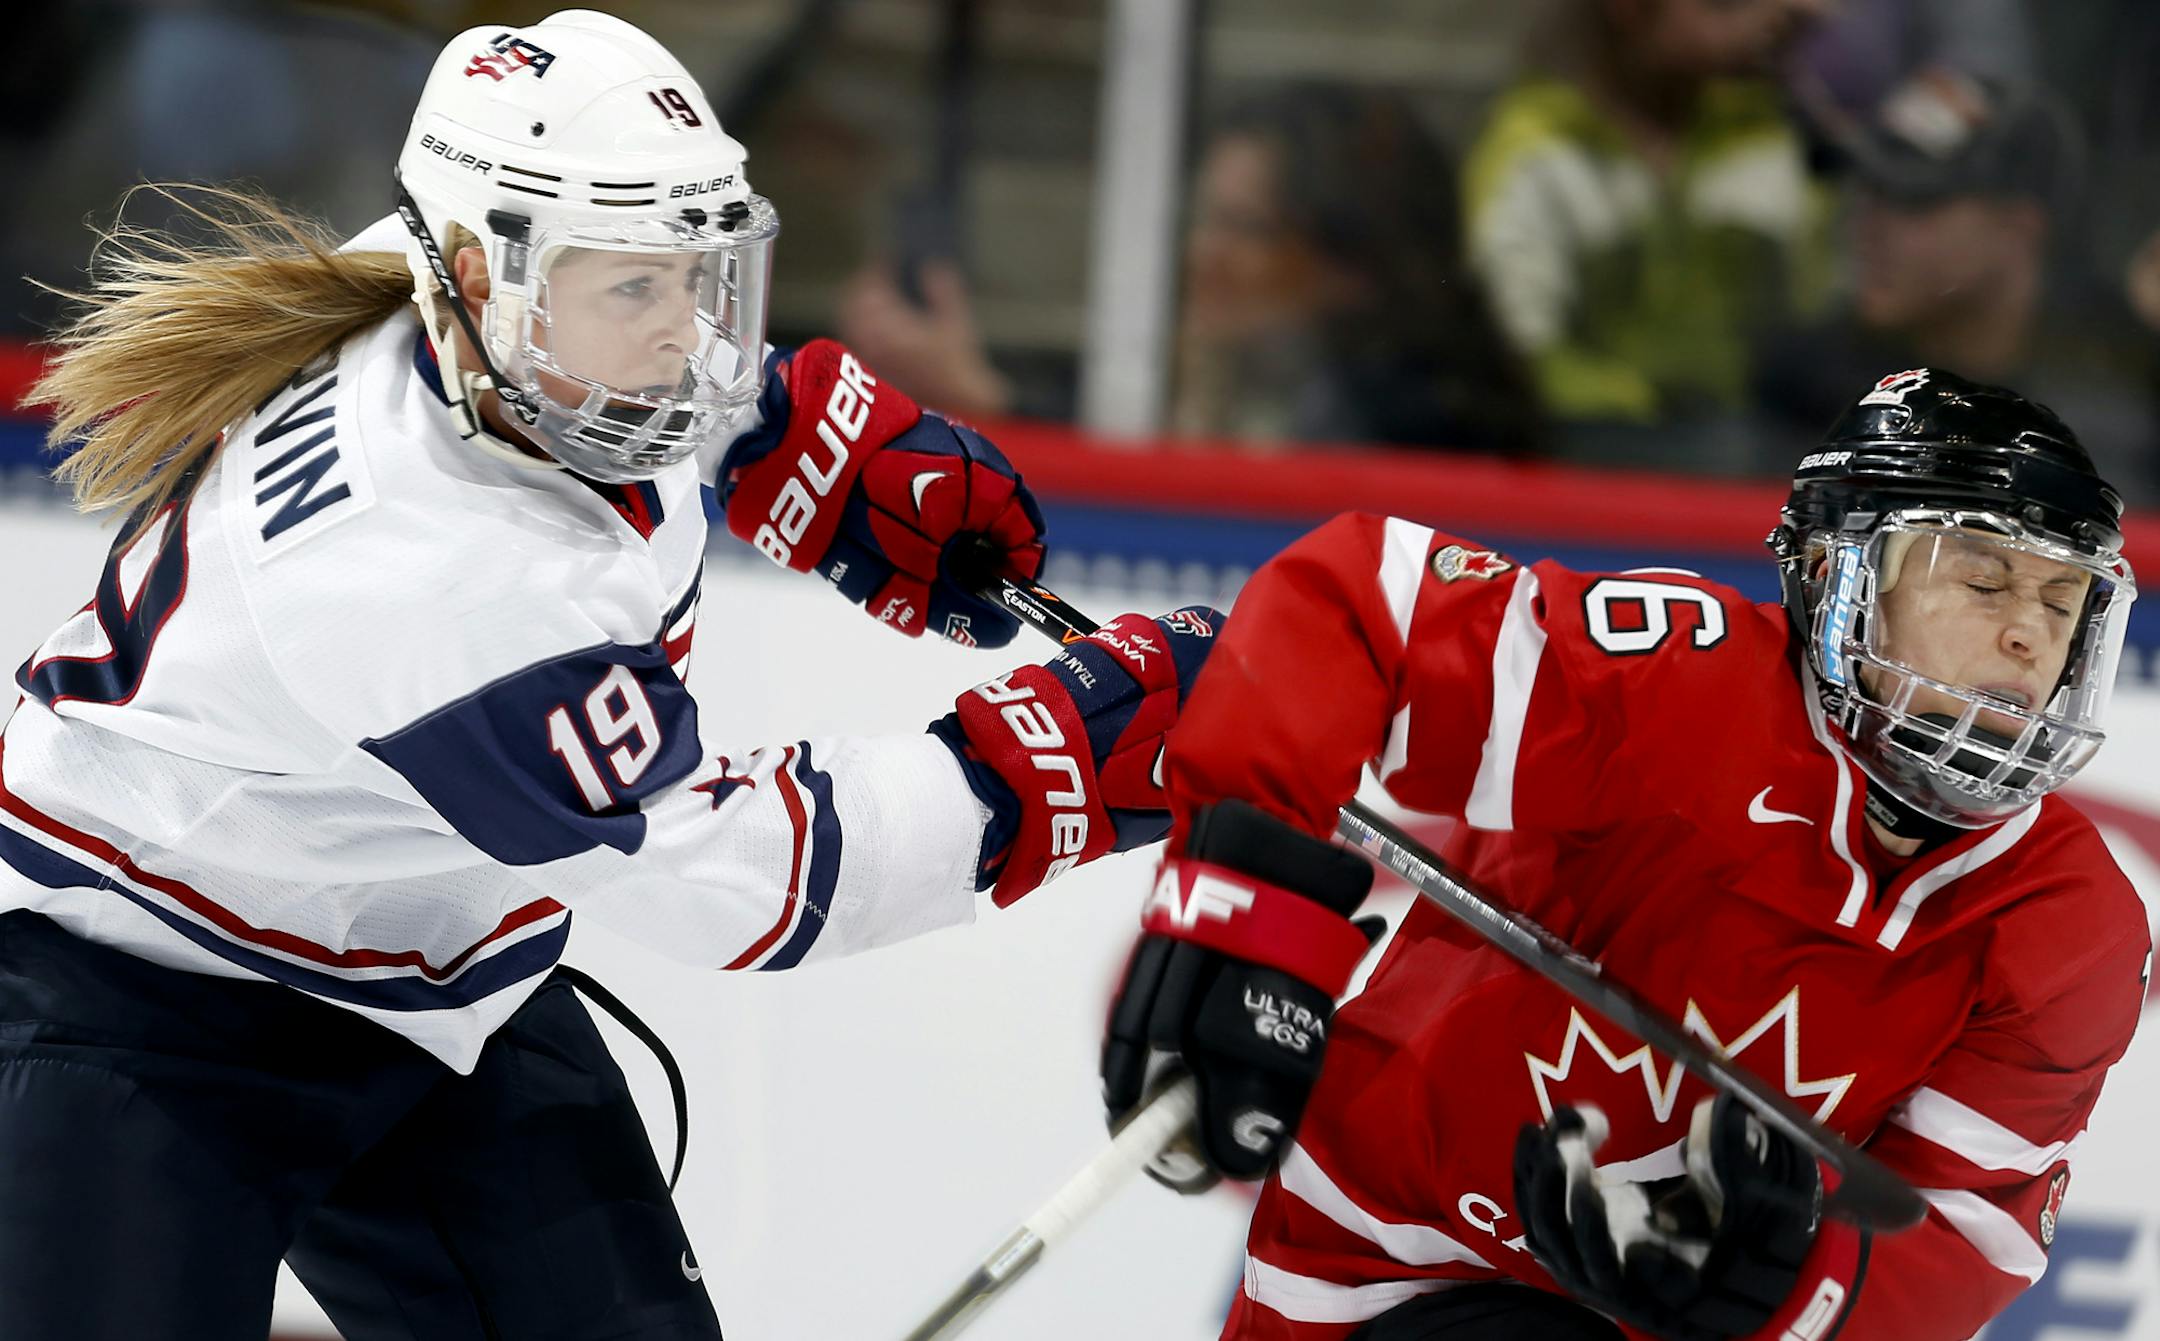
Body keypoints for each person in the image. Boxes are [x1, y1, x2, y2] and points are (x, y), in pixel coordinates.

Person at [0, 12, 1218, 1339]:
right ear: (479, 274)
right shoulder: (423, 567)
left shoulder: (466, 310)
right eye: (639, 289)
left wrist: (781, 438)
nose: (687, 331)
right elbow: (738, 875)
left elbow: (626, 347)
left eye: (701, 277)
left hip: (442, 978)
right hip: (129, 1000)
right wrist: (1046, 766)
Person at [1100, 368, 2148, 1338]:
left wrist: (1791, 1286)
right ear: (1841, 578)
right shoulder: (1678, 691)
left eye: (2060, 603)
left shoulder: (2071, 926)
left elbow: (1964, 1230)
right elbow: (1360, 606)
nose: (2028, 635)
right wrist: (1245, 905)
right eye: (1984, 581)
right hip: (1393, 1261)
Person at [840, 86, 1540, 455]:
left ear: (1349, 264)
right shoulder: (1238, 376)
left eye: (1246, 227)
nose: (1205, 253)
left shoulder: (1406, 421)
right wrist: (988, 403)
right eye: (1205, 219)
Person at [1464, 0, 1831, 446]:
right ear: (1629, 9)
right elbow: (1525, 347)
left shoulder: (1761, 132)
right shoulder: (1538, 146)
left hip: (1758, 431)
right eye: (1726, 5)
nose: (1769, 17)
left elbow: (1821, 304)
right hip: (1587, 443)